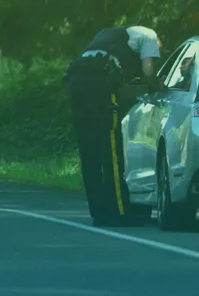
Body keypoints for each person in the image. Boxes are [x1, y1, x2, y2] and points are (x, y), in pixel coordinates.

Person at [64, 25, 167, 227]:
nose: (156, 55)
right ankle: (120, 212)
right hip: (99, 82)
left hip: (76, 83)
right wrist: (158, 86)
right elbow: (148, 71)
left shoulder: (108, 34)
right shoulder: (149, 36)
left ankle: (99, 212)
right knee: (111, 150)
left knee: (89, 151)